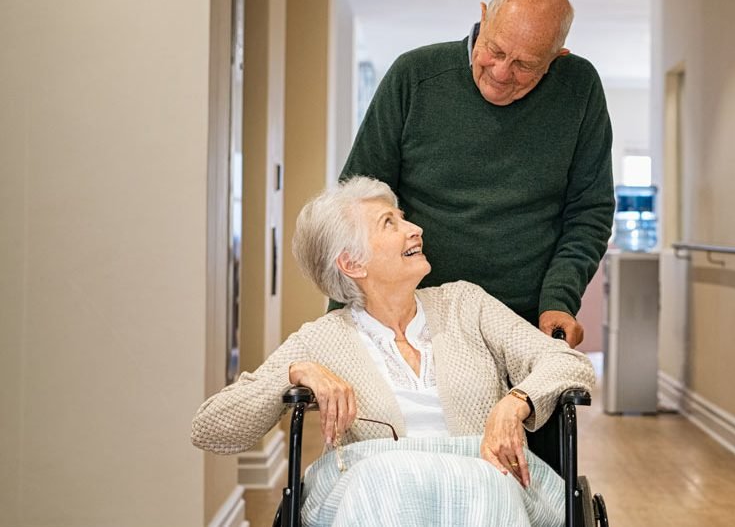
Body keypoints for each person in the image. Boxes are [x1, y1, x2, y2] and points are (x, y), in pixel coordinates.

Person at [192, 177, 596, 526]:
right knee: (384, 478)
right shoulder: (322, 338)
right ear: (352, 263)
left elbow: (567, 362)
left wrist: (515, 402)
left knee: (488, 481)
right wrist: (295, 372)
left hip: (483, 478)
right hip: (371, 484)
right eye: (390, 223)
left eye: (403, 218)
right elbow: (210, 428)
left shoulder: (465, 304)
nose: (415, 229)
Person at [338, 0, 614, 348]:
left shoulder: (579, 88)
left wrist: (558, 300)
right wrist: (341, 320)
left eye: (525, 65)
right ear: (483, 17)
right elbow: (356, 205)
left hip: (522, 322)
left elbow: (590, 212)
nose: (500, 73)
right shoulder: (414, 77)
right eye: (495, 50)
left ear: (556, 57)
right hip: (412, 319)